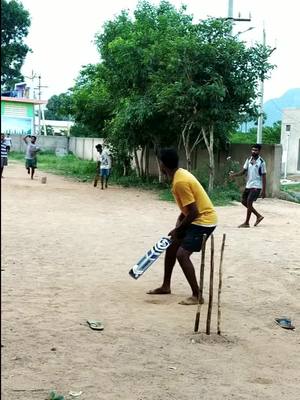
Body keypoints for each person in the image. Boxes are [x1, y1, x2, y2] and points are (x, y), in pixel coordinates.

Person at [147, 148, 218, 305]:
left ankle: (197, 295)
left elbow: (194, 212)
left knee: (182, 255)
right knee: (171, 247)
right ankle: (166, 286)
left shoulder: (180, 181)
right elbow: (187, 209)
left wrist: (179, 229)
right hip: (197, 218)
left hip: (204, 221)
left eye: (159, 162)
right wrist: (178, 225)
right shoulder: (179, 174)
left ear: (163, 165)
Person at [229, 143, 266, 228]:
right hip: (249, 185)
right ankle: (258, 216)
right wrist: (234, 175)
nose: (253, 151)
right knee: (243, 201)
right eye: (252, 150)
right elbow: (243, 171)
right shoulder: (249, 159)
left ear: (259, 151)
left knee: (249, 202)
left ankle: (246, 223)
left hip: (256, 186)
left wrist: (264, 191)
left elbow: (264, 176)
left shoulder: (262, 162)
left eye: (256, 150)